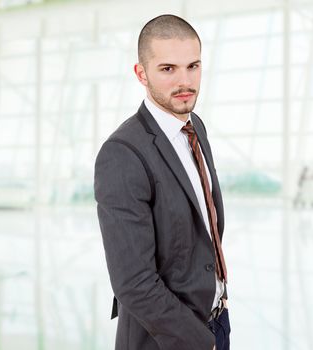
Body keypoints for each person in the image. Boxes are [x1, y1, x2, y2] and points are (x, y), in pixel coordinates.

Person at [94, 15, 230, 350]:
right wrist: (201, 342)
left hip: (216, 321)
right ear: (141, 73)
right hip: (165, 339)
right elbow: (133, 282)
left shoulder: (194, 125)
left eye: (193, 66)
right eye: (168, 69)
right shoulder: (122, 153)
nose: (185, 81)